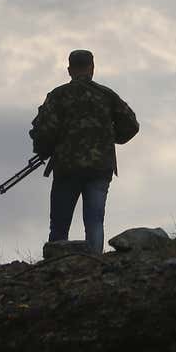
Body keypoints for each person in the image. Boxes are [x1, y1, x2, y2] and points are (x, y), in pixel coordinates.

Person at [29, 49, 139, 254]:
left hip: (66, 168)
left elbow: (44, 131)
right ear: (93, 68)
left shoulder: (58, 96)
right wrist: (108, 138)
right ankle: (95, 263)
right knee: (95, 221)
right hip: (100, 168)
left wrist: (44, 149)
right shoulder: (107, 95)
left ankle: (56, 266)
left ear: (69, 70)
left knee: (60, 224)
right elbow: (131, 125)